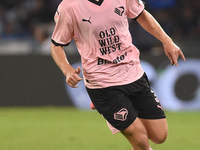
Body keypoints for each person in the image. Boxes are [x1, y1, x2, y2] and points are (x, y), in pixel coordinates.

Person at [50, 0, 186, 150]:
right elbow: (56, 44)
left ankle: (102, 105)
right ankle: (102, 102)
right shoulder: (69, 6)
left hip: (132, 72)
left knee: (160, 135)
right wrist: (67, 69)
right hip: (101, 81)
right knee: (139, 139)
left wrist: (166, 40)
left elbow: (141, 15)